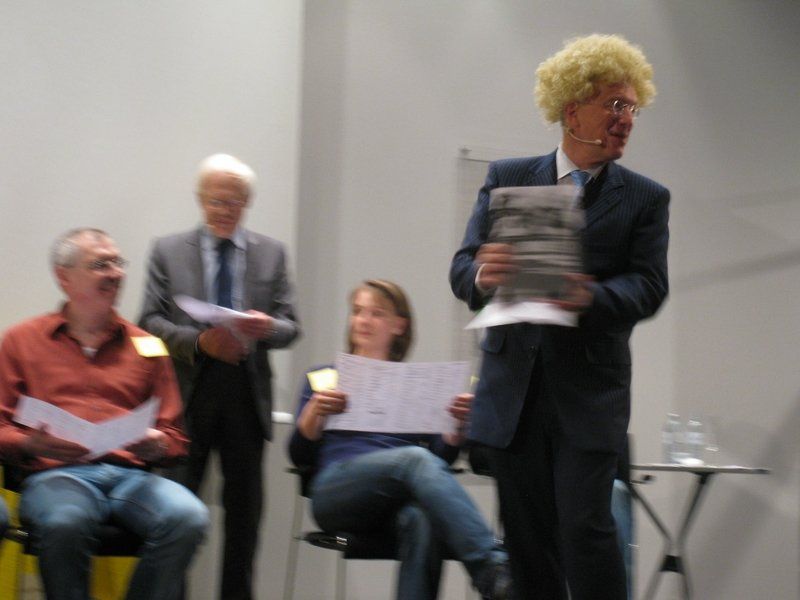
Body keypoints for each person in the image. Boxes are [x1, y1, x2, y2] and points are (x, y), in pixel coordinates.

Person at [450, 34, 669, 600]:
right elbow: (462, 269)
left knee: (586, 532)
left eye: (632, 108)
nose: (626, 119)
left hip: (588, 396)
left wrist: (588, 297)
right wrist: (486, 273)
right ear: (572, 110)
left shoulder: (644, 198)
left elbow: (649, 286)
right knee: (526, 543)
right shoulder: (507, 176)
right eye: (614, 105)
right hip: (513, 395)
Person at [0, 228, 209, 600]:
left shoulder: (148, 346)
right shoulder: (22, 341)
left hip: (131, 477)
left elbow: (176, 437)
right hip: (57, 475)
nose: (115, 273)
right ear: (64, 277)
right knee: (67, 521)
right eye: (100, 265)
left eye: (118, 263)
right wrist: (30, 442)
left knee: (188, 517)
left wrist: (159, 444)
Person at [139, 153, 300, 600]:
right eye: (215, 201)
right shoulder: (168, 251)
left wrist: (266, 327)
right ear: (200, 199)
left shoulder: (271, 253)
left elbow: (292, 325)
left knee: (245, 518)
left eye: (233, 202)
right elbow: (148, 322)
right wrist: (199, 342)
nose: (224, 211)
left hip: (246, 396)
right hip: (187, 395)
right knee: (177, 512)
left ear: (247, 202)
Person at [289, 279, 511, 600]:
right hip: (337, 492)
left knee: (422, 519)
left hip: (396, 498)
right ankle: (490, 568)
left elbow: (440, 460)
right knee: (413, 459)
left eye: (376, 313)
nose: (363, 320)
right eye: (357, 312)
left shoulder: (416, 384)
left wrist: (455, 428)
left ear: (399, 325)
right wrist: (313, 413)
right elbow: (299, 456)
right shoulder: (324, 376)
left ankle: (489, 571)